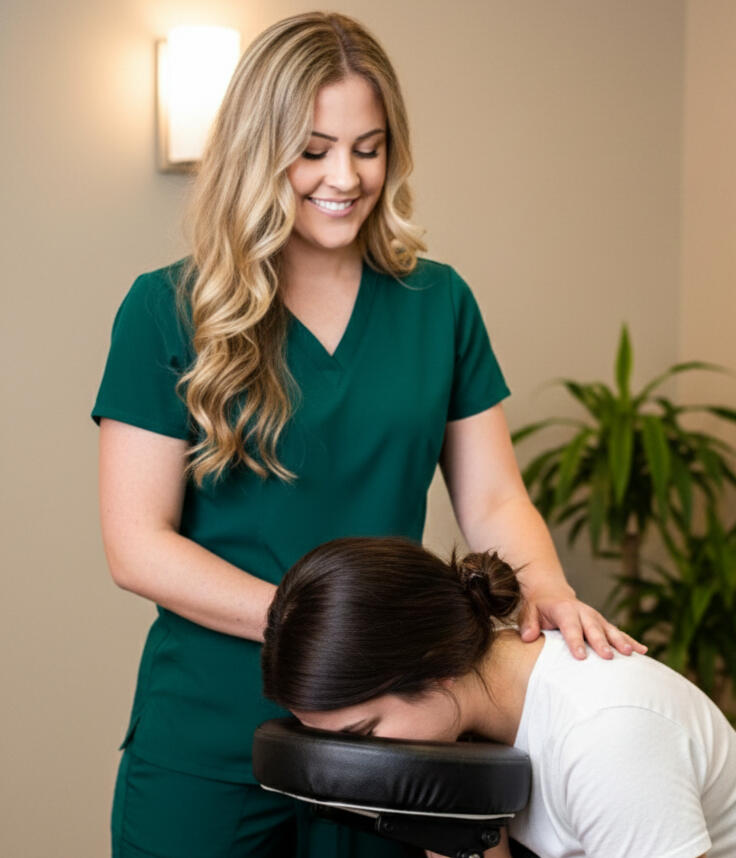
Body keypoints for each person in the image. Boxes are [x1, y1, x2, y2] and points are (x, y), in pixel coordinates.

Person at [92, 11, 645, 858]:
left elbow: (494, 496)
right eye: (311, 149)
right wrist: (327, 630)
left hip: (389, 737)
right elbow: (137, 545)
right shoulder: (166, 309)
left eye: (368, 147)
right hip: (207, 738)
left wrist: (551, 595)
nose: (344, 177)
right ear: (255, 149)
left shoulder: (439, 304)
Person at [262, 536, 736, 858]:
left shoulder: (606, 734)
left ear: (436, 672)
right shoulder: (460, 727)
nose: (360, 766)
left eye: (363, 735)